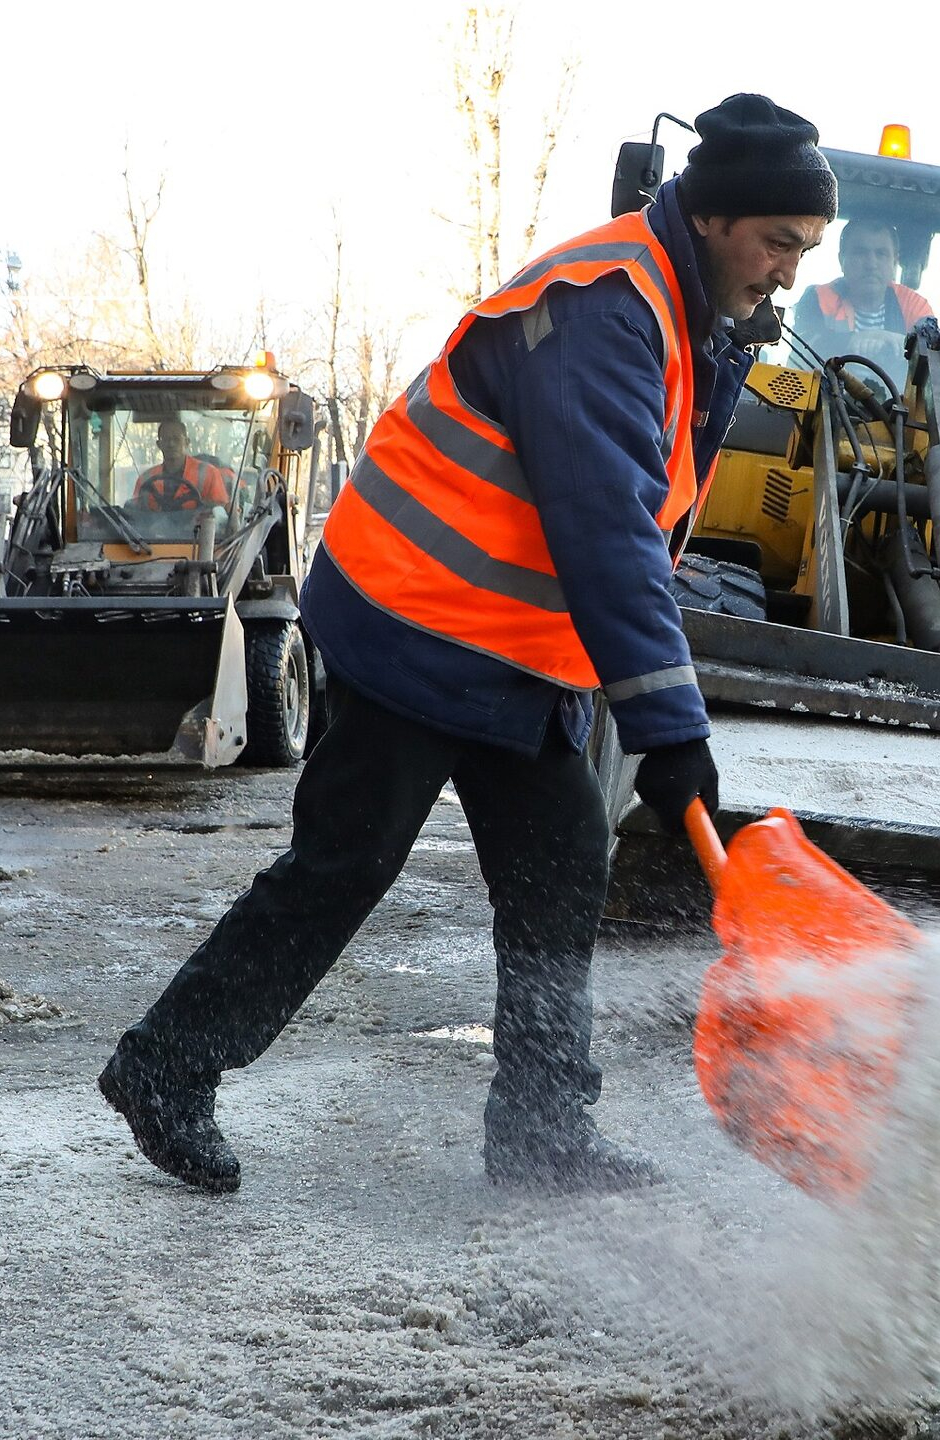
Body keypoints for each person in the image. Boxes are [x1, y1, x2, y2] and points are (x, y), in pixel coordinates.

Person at [98, 94, 835, 1195]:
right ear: (718, 218)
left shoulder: (686, 309)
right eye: (778, 245)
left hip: (515, 649)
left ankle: (541, 1132)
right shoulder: (605, 305)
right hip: (413, 622)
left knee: (557, 871)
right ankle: (166, 1065)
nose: (787, 272)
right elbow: (605, 529)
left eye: (804, 254)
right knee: (344, 862)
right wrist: (668, 726)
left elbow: (636, 517)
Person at [787, 218, 934, 362]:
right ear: (841, 260)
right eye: (860, 253)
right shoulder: (817, 298)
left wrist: (903, 343)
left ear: (894, 262)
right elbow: (804, 346)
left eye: (881, 254)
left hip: (896, 387)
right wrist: (854, 339)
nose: (871, 264)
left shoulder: (915, 306)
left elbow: (933, 350)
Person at [132, 417, 235, 511]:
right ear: (159, 445)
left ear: (187, 442)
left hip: (197, 531)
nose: (171, 444)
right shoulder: (145, 479)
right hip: (148, 531)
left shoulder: (208, 474)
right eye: (166, 440)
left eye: (176, 439)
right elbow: (134, 514)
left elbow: (221, 514)